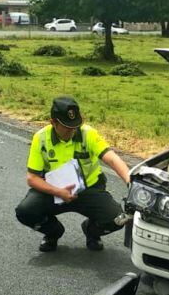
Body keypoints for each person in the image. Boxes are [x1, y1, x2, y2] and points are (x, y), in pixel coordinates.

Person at [15, 96, 131, 252]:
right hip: (54, 191)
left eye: (75, 125)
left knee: (118, 219)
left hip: (89, 190)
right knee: (25, 211)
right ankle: (53, 233)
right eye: (67, 126)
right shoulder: (41, 138)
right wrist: (59, 192)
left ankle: (91, 231)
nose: (72, 130)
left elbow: (111, 158)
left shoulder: (88, 133)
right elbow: (32, 178)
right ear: (53, 122)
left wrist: (129, 180)